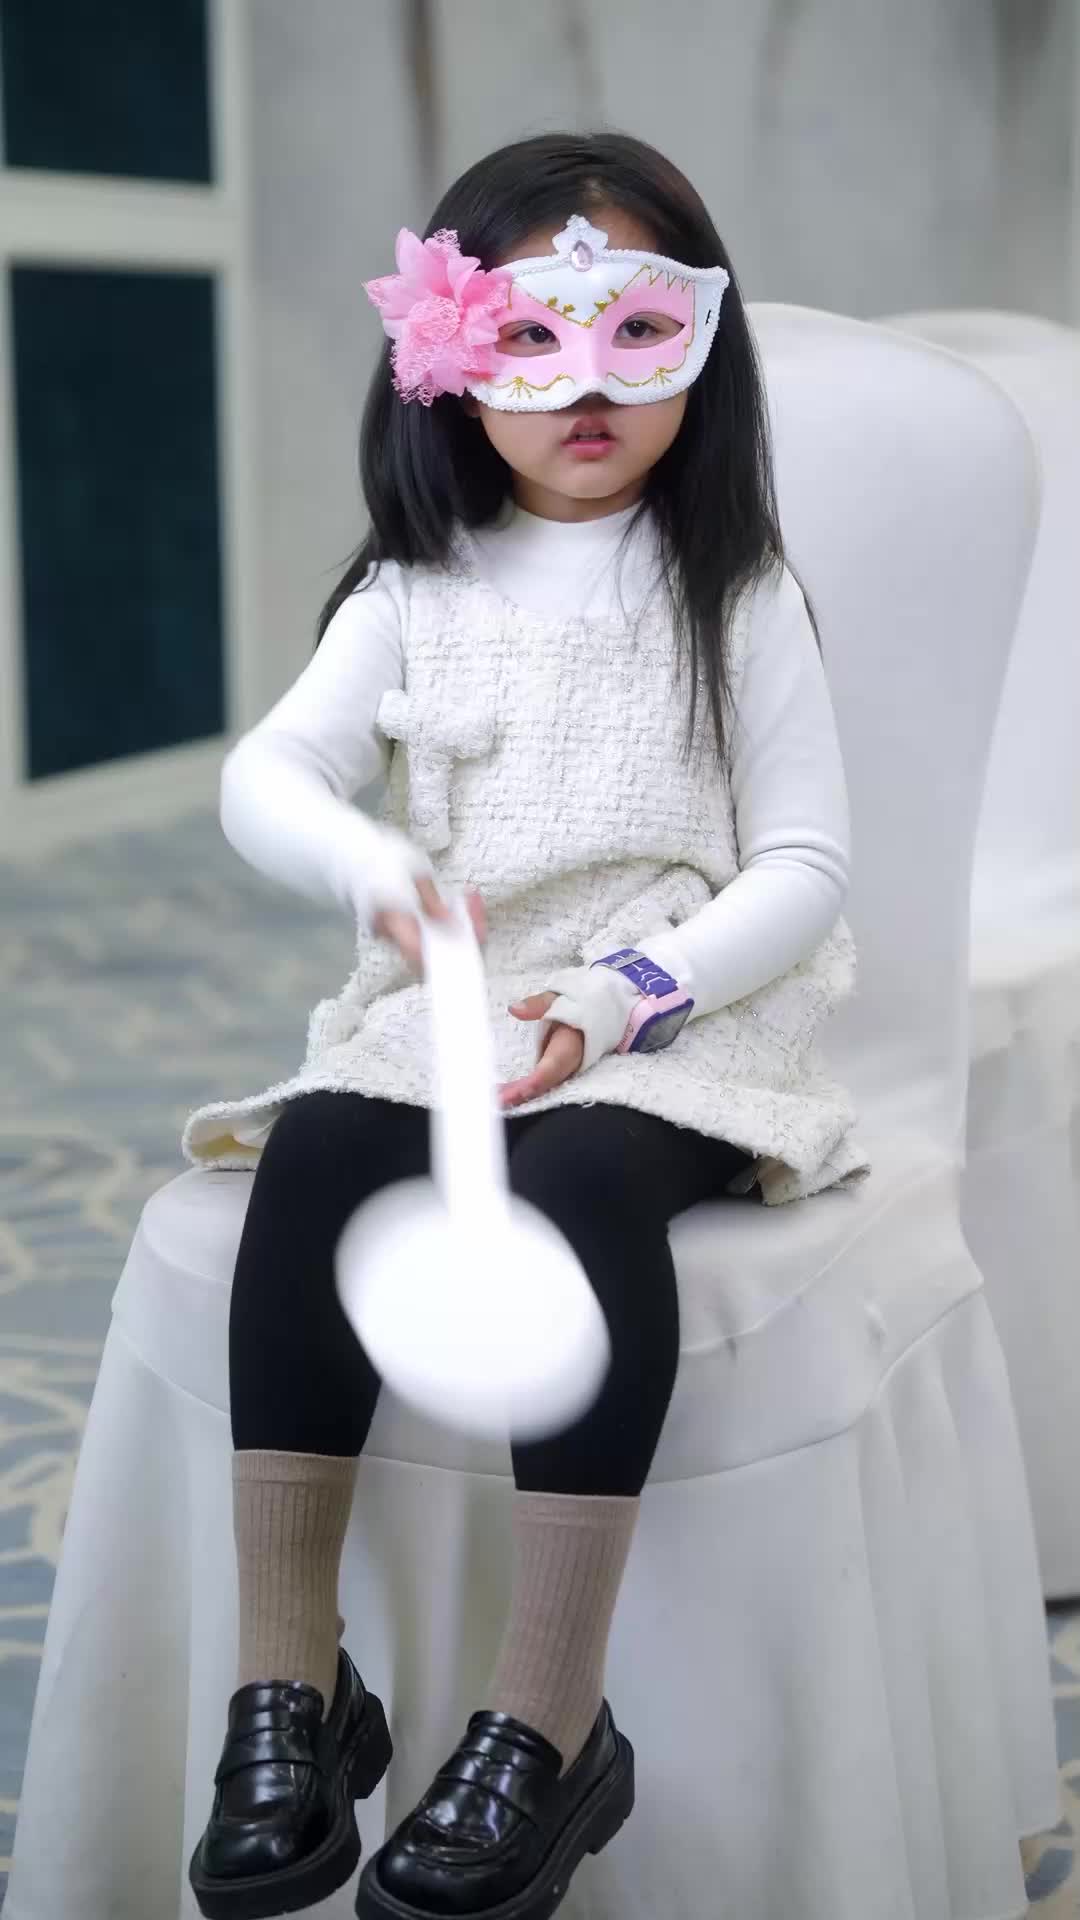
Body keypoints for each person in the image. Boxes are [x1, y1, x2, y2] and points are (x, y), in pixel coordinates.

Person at [184, 130, 867, 1920]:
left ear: (701, 347)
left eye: (635, 333)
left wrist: (628, 998)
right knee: (319, 1151)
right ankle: (290, 1683)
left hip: (686, 1012)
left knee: (574, 1192)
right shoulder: (414, 593)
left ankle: (551, 1718)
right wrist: (371, 867)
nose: (584, 386)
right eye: (530, 343)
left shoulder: (738, 596)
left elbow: (805, 863)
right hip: (457, 1002)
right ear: (448, 364)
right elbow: (271, 776)